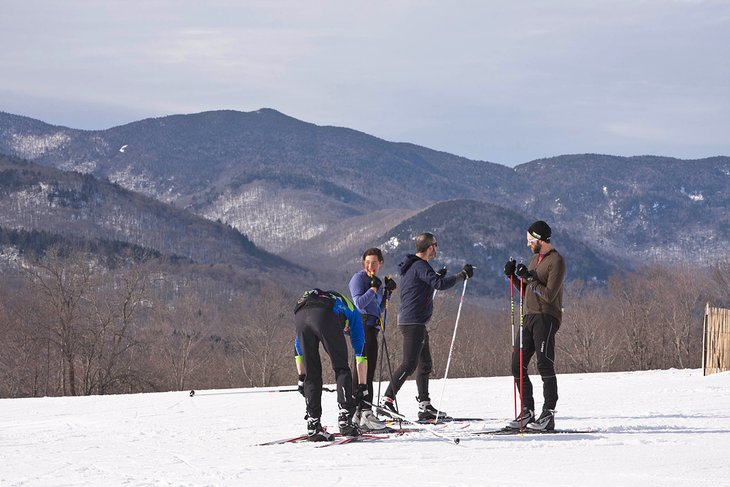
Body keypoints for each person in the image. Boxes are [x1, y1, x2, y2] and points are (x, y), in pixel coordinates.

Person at [380, 232, 474, 421]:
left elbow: (423, 285)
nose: (436, 249)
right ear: (430, 247)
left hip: (414, 322)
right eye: (435, 245)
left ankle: (424, 405)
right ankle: (387, 401)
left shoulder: (413, 267)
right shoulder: (420, 266)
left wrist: (434, 277)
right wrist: (462, 276)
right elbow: (439, 284)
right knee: (409, 363)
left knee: (424, 364)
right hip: (413, 322)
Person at [504, 220, 566, 431]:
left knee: (544, 363)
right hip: (529, 316)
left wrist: (529, 278)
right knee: (516, 364)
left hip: (546, 316)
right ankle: (527, 411)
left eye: (531, 240)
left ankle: (548, 413)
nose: (528, 244)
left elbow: (549, 295)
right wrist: (513, 276)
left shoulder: (556, 261)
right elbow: (527, 290)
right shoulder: (534, 259)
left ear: (540, 239)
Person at [294, 288, 368, 441]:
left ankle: (313, 425)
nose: (345, 331)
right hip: (325, 314)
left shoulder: (332, 299)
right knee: (341, 368)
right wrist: (362, 386)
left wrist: (302, 377)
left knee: (311, 374)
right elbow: (360, 353)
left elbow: (298, 348)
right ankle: (345, 419)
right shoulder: (354, 314)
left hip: (301, 315)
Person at [348, 248, 397, 432]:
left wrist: (388, 293)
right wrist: (374, 288)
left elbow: (379, 308)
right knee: (362, 369)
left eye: (374, 263)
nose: (370, 266)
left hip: (373, 327)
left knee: (368, 370)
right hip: (362, 326)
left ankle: (361, 412)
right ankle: (362, 411)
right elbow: (359, 303)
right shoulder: (358, 279)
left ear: (381, 263)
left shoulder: (375, 281)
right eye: (367, 262)